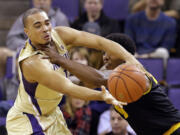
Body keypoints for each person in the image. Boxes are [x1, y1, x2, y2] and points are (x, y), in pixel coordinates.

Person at [6, 8, 126, 135]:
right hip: (28, 119)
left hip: (51, 114)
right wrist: (101, 96)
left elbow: (99, 41)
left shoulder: (59, 35)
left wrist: (129, 58)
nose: (45, 28)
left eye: (47, 23)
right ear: (27, 32)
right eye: (38, 26)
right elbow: (69, 88)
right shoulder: (33, 62)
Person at [41, 33, 180, 135]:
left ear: (123, 54)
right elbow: (87, 81)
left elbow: (97, 78)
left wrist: (59, 59)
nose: (105, 56)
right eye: (103, 52)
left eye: (110, 52)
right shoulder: (113, 75)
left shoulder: (134, 73)